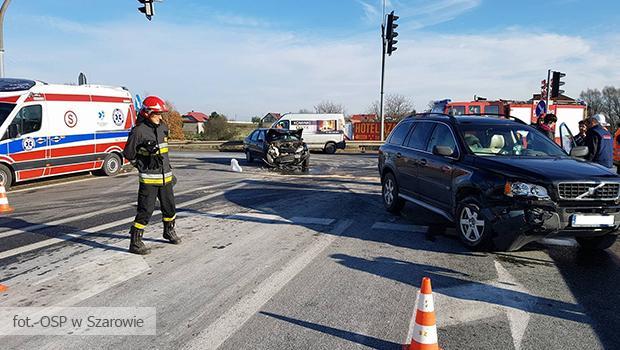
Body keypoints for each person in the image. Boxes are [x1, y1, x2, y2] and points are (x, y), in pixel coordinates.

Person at [123, 95, 181, 255]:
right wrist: (142, 161)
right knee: (145, 211)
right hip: (149, 180)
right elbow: (128, 153)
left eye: (161, 114)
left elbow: (164, 152)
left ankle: (169, 231)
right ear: (148, 113)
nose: (160, 117)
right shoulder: (138, 132)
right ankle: (135, 242)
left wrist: (169, 170)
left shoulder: (162, 127)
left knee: (170, 209)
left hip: (166, 178)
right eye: (157, 114)